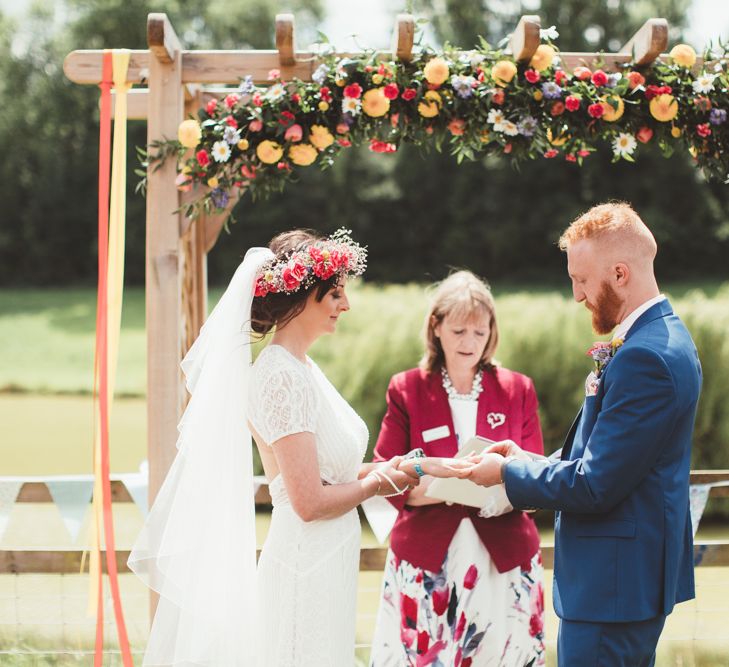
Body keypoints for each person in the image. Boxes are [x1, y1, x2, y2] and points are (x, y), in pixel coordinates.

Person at [129, 228, 465, 667]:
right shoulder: (279, 376)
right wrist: (380, 483)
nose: (347, 305)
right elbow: (307, 501)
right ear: (304, 294)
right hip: (305, 563)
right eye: (336, 294)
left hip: (328, 559)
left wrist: (388, 467)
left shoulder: (302, 367)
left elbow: (329, 472)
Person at [461, 203, 702, 667]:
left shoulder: (645, 358)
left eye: (582, 280)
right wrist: (528, 461)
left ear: (619, 273)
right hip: (623, 584)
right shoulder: (660, 338)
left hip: (612, 589)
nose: (576, 295)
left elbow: (595, 484)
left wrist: (508, 474)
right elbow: (605, 452)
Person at [369, 270, 546, 667]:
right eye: (460, 330)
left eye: (480, 333)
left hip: (503, 556)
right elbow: (387, 476)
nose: (470, 343)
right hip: (428, 555)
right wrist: (442, 481)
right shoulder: (406, 388)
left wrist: (503, 485)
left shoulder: (518, 388)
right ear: (436, 327)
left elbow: (536, 480)